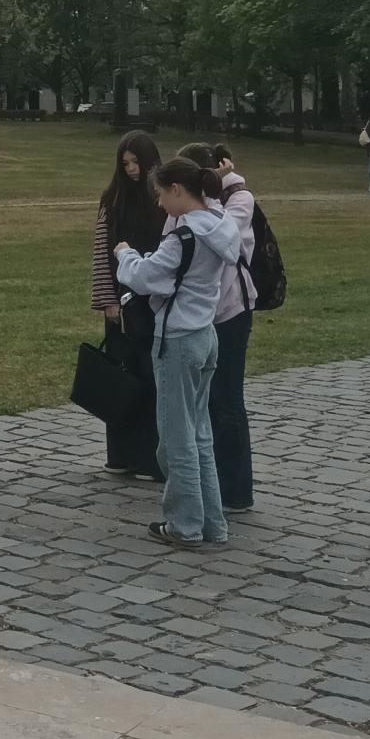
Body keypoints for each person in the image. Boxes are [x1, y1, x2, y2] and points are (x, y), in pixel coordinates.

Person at [112, 156, 242, 549]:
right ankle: (212, 523)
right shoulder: (220, 223)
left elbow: (144, 277)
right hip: (206, 334)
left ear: (176, 189)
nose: (159, 203)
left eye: (160, 194)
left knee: (176, 440)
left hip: (179, 339)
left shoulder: (183, 237)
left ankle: (184, 525)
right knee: (200, 435)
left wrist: (125, 254)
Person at [182, 143, 255, 513]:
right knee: (203, 402)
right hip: (199, 314)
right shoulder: (186, 208)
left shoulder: (239, 199)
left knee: (226, 400)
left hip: (231, 311)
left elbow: (218, 234)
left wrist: (214, 187)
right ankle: (207, 482)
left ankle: (236, 489)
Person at [91, 130, 167, 480]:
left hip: (153, 301)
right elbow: (101, 252)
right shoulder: (112, 198)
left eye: (137, 162)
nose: (132, 169)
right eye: (125, 164)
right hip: (120, 303)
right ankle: (121, 455)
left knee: (151, 379)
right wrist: (107, 300)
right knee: (122, 379)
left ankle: (151, 458)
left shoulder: (161, 197)